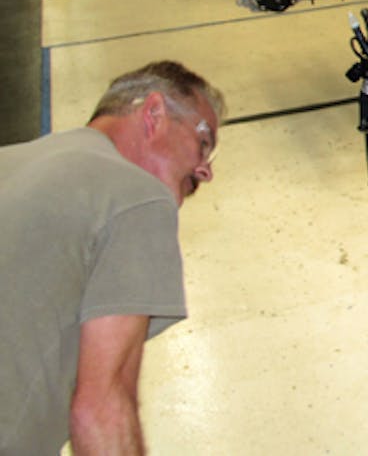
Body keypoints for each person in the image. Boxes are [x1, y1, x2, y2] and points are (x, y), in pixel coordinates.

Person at [0, 61, 225, 455]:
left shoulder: (13, 161)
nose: (205, 172)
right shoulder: (135, 197)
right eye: (203, 143)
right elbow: (102, 407)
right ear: (153, 113)